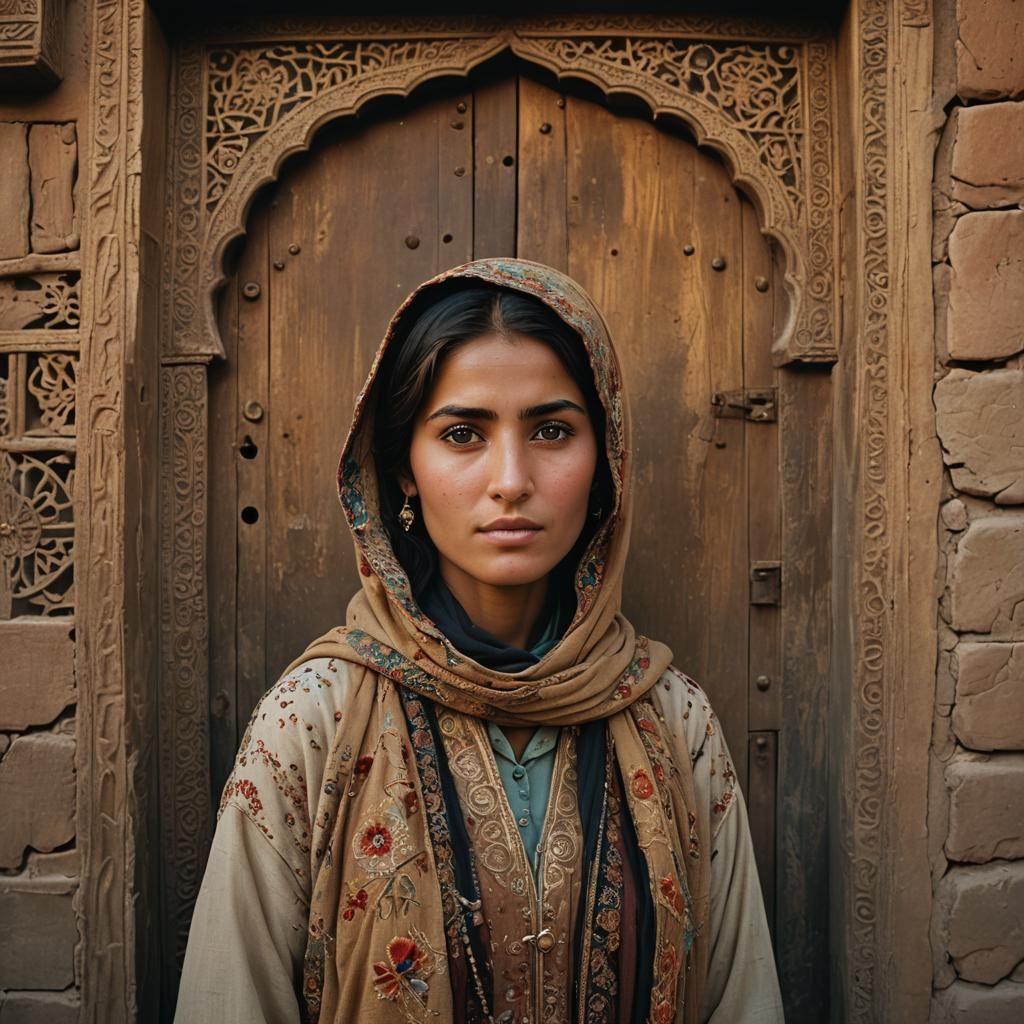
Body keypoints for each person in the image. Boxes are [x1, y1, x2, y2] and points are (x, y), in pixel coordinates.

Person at [176, 259, 784, 1024]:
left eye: (552, 431)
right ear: (403, 467)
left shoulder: (672, 721)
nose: (510, 479)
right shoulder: (313, 723)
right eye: (462, 433)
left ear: (607, 462)